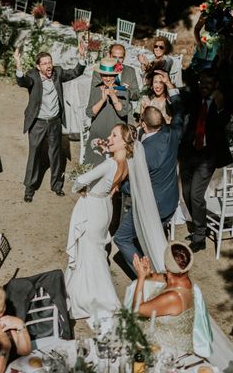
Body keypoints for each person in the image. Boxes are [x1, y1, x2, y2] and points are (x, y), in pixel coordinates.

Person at [114, 70, 183, 275]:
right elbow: (179, 111)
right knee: (153, 239)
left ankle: (147, 277)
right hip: (170, 202)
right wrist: (172, 87)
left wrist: (119, 185)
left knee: (122, 238)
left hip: (152, 207)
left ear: (143, 124)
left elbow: (134, 184)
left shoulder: (143, 153)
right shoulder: (173, 133)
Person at [66, 124, 134, 320]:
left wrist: (79, 186)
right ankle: (92, 291)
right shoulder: (126, 163)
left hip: (93, 208)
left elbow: (82, 179)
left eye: (114, 136)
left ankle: (91, 298)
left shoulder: (110, 164)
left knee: (89, 254)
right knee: (94, 253)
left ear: (123, 142)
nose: (109, 138)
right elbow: (111, 182)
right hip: (105, 208)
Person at [14, 47, 86, 202]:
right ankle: (29, 188)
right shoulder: (32, 76)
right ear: (38, 67)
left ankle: (56, 186)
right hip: (38, 122)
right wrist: (18, 65)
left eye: (50, 62)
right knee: (34, 154)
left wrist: (82, 56)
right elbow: (22, 82)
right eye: (44, 63)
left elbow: (75, 72)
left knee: (55, 154)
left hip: (54, 121)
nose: (48, 66)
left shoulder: (57, 73)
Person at [179, 69, 232, 252]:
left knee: (196, 195)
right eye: (202, 82)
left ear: (215, 85)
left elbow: (224, 120)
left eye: (208, 83)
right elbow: (181, 100)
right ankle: (198, 225)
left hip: (207, 156)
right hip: (189, 153)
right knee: (186, 194)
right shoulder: (194, 98)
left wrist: (221, 105)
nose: (204, 86)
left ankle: (200, 236)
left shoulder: (220, 102)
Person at [131, 242, 196, 356]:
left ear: (166, 265)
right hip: (173, 339)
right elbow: (158, 277)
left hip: (168, 350)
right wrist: (147, 272)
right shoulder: (182, 279)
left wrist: (141, 277)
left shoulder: (173, 297)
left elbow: (137, 310)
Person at [84, 58, 130, 165]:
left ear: (116, 75)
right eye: (105, 75)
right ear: (100, 75)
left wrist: (113, 96)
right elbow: (89, 113)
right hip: (97, 135)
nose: (108, 78)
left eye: (111, 75)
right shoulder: (96, 89)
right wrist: (102, 100)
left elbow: (123, 113)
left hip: (115, 138)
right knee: (94, 166)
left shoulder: (123, 90)